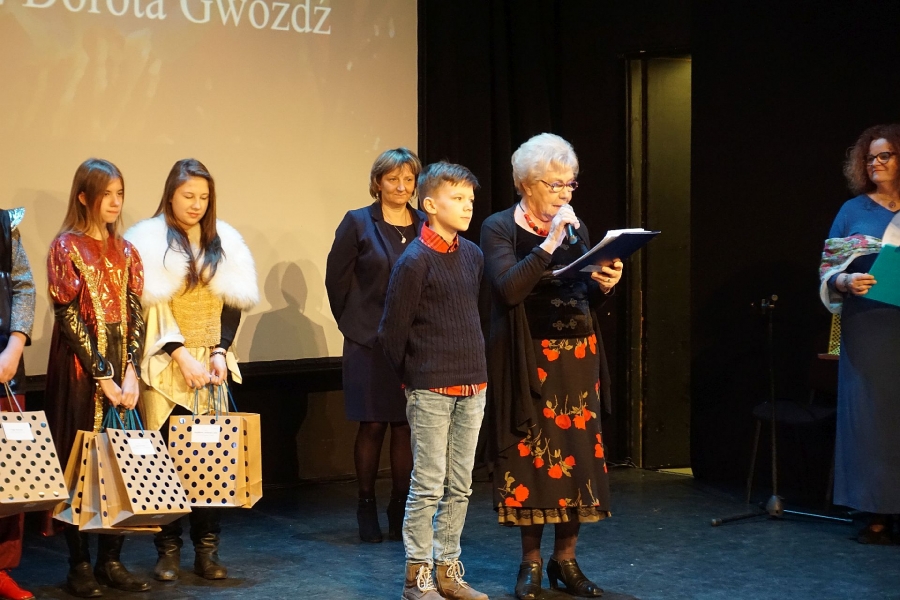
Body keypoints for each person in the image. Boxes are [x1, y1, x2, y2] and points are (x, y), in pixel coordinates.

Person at [480, 133, 623, 600]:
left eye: (569, 184)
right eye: (554, 184)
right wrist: (549, 243)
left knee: (576, 456)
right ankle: (531, 564)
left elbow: (583, 292)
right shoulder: (500, 227)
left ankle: (567, 560)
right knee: (532, 459)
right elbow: (508, 289)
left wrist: (606, 283)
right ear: (526, 183)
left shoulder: (576, 227)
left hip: (577, 355)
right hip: (529, 358)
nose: (564, 194)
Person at [124, 158, 259, 580]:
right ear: (170, 195)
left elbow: (233, 302)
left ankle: (207, 550)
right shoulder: (148, 240)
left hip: (210, 362)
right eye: (188, 196)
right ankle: (167, 550)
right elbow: (150, 308)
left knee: (208, 459)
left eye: (203, 197)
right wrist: (180, 355)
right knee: (164, 462)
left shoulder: (224, 240)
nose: (196, 204)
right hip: (165, 361)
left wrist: (219, 351)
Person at [378, 162, 488, 600]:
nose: (467, 206)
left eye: (470, 199)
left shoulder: (473, 255)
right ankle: (417, 575)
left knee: (460, 485)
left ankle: (447, 570)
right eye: (457, 199)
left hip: (473, 385)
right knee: (427, 485)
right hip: (430, 388)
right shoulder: (414, 261)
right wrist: (414, 379)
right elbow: (392, 332)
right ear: (429, 205)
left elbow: (466, 314)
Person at [46, 158, 149, 597]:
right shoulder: (66, 246)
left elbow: (135, 312)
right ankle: (79, 564)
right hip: (80, 370)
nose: (115, 202)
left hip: (121, 366)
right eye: (107, 194)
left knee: (120, 463)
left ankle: (111, 560)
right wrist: (102, 374)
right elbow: (68, 315)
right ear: (84, 197)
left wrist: (131, 370)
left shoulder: (126, 251)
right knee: (82, 461)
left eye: (120, 193)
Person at [325, 148, 424, 543]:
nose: (401, 187)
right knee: (372, 424)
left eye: (408, 180)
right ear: (378, 182)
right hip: (368, 341)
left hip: (413, 343)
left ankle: (399, 507)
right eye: (393, 179)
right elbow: (336, 281)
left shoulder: (425, 224)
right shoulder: (358, 222)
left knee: (405, 426)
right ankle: (366, 504)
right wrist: (355, 327)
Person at [819, 123, 900, 544]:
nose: (875, 163)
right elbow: (828, 269)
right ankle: (874, 511)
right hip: (869, 324)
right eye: (870, 158)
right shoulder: (852, 211)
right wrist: (845, 281)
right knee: (871, 416)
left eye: (885, 155)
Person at [0, 207, 36, 600]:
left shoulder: (4, 225)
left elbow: (23, 286)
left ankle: (0, 569)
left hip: (3, 365)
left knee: (10, 473)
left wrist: (15, 346)